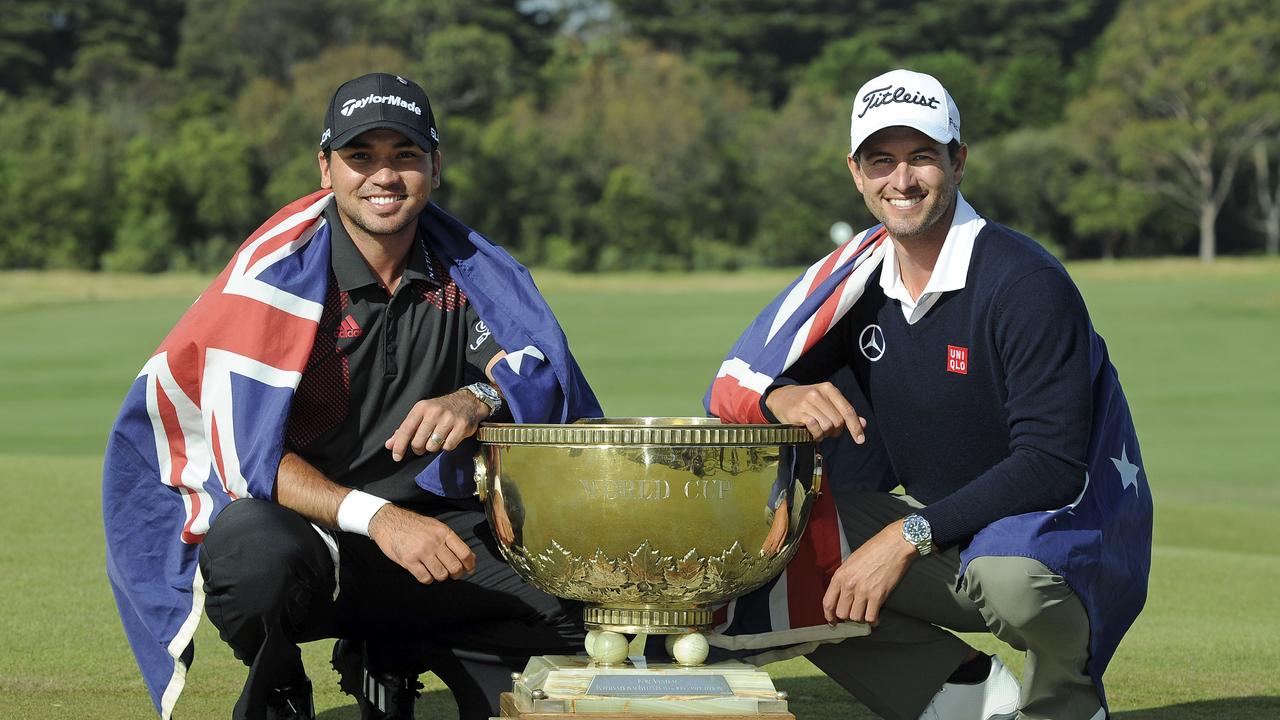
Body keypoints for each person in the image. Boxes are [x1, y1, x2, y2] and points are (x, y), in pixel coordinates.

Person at [104, 72, 602, 720]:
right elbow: (247, 457)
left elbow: (536, 368)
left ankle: (400, 652)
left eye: (405, 156)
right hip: (317, 539)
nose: (384, 176)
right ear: (326, 167)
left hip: (440, 533)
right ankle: (282, 689)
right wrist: (380, 519)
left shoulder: (468, 274)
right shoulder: (273, 281)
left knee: (584, 604)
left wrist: (476, 396)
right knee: (249, 551)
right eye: (360, 156)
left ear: (435, 165)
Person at [706, 69, 1152, 720]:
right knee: (770, 543)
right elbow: (744, 380)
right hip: (950, 536)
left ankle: (1068, 703)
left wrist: (906, 536)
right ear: (856, 173)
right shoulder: (856, 283)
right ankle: (967, 699)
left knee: (1011, 576)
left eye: (922, 158)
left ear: (958, 161)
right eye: (881, 161)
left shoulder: (1024, 281)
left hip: (1059, 534)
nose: (902, 180)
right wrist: (782, 399)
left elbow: (1050, 467)